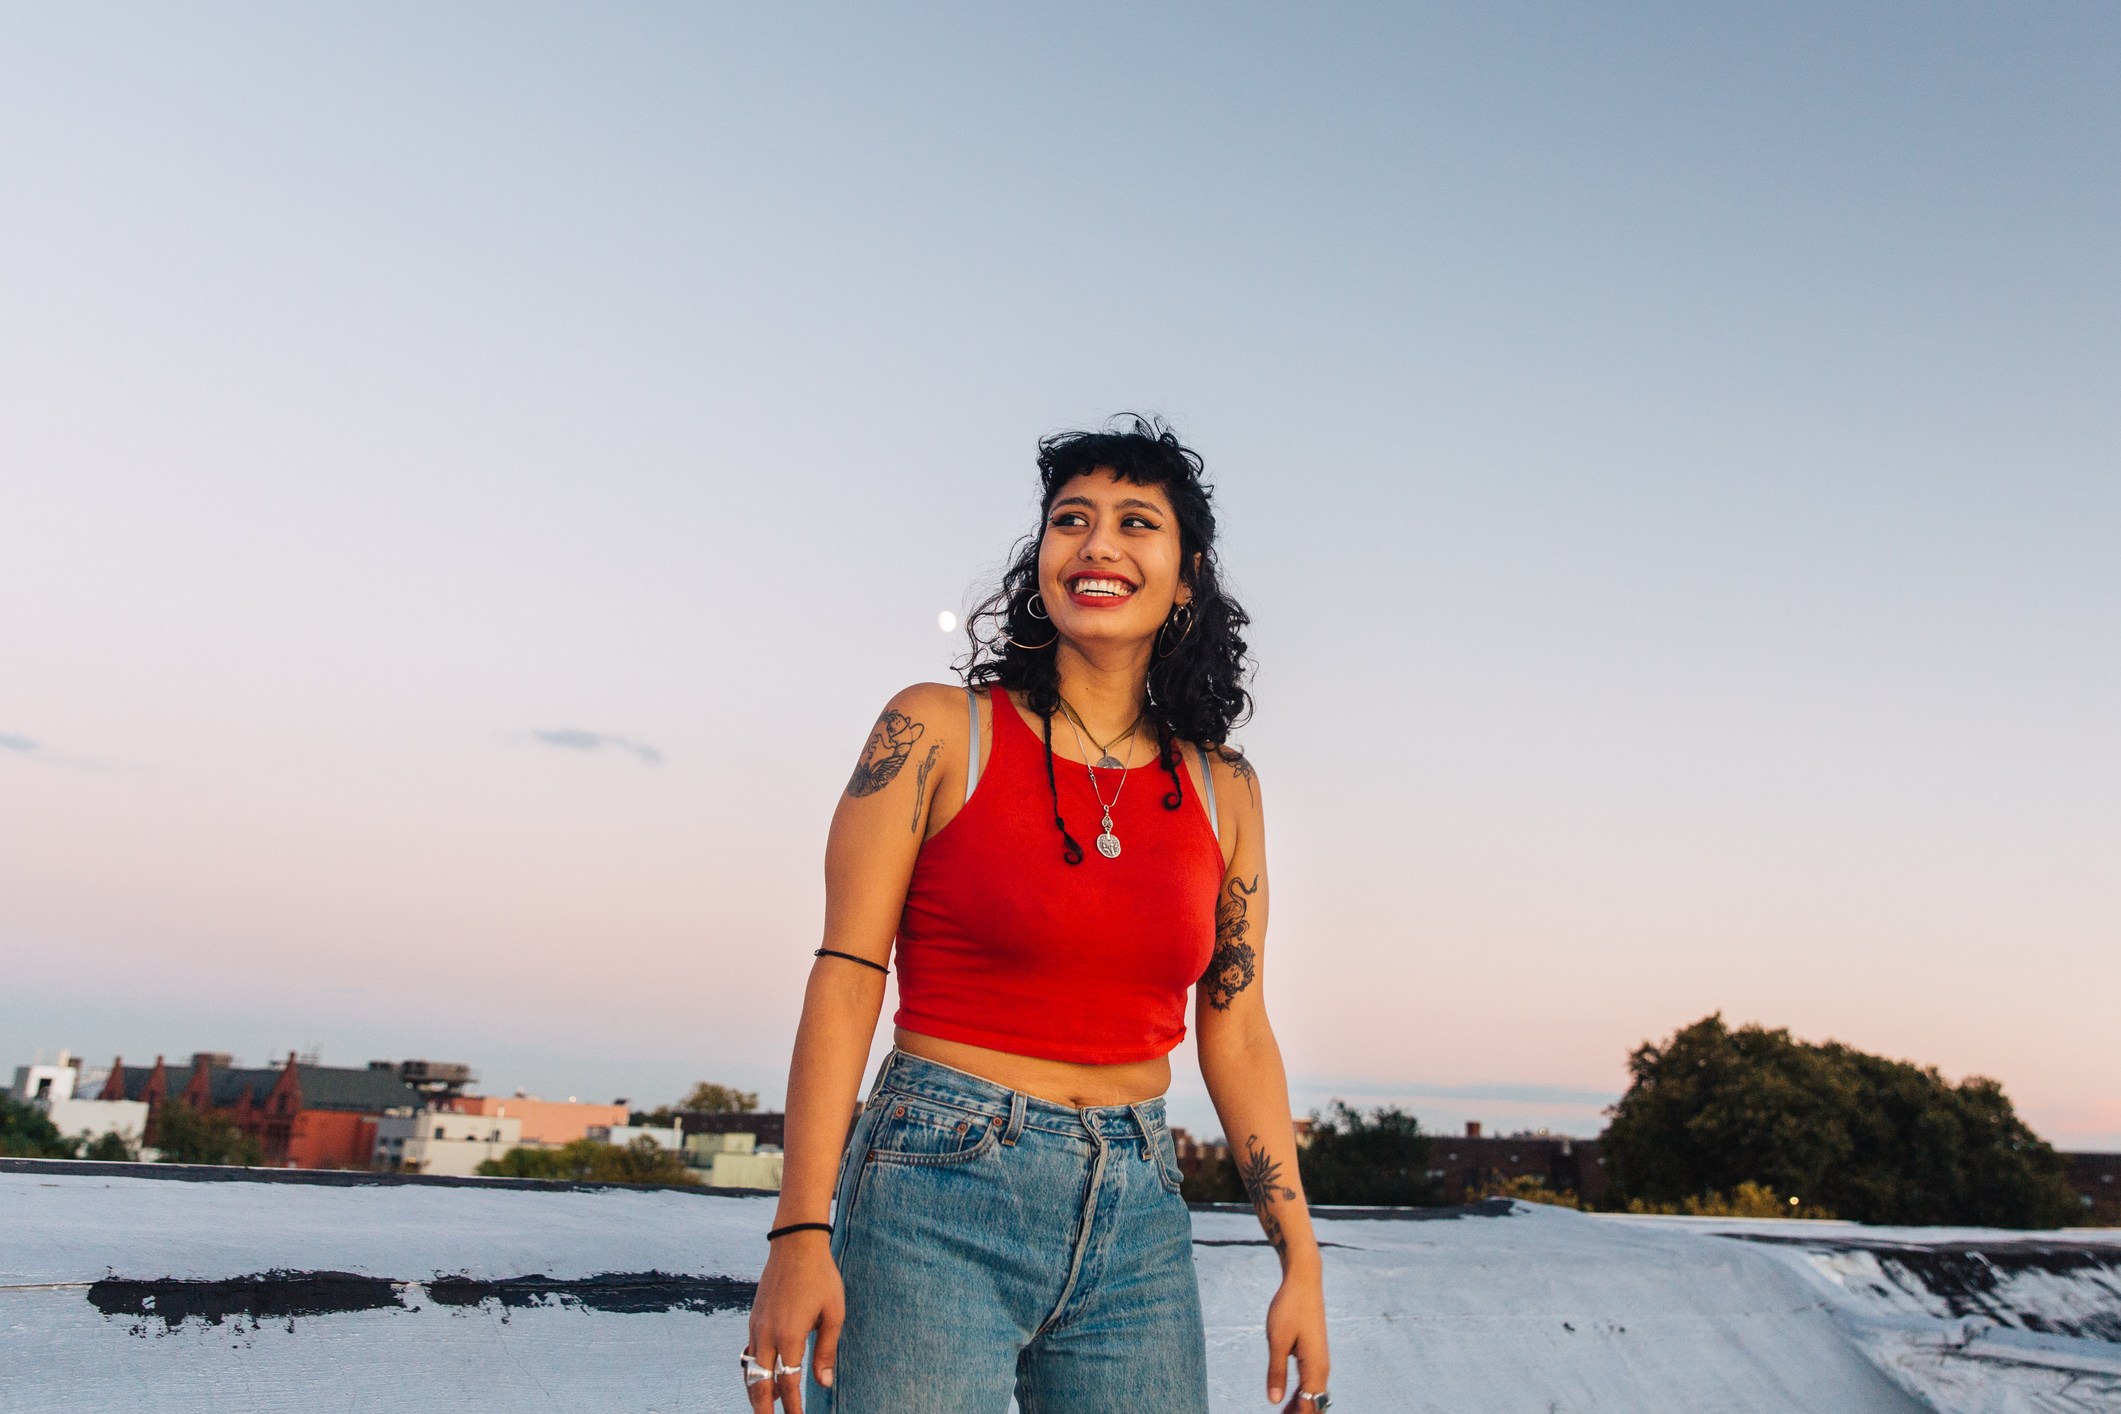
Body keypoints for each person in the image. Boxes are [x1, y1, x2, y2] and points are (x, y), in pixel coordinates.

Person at [744, 417, 1331, 1413]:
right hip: (935, 1186)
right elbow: (845, 974)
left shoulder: (1224, 787)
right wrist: (801, 1232)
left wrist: (1302, 1260)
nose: (1097, 544)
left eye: (1136, 522)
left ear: (1185, 580)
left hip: (1140, 1205)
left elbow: (1237, 1028)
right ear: (1043, 562)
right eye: (1071, 520)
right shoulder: (934, 729)